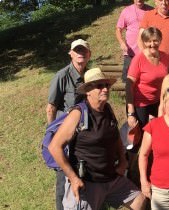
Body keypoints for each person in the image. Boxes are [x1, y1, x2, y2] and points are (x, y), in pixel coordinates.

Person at [48, 68, 146, 210]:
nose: (105, 89)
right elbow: (54, 147)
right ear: (88, 90)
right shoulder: (78, 113)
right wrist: (73, 178)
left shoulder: (107, 109)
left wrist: (123, 160)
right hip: (88, 183)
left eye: (106, 85)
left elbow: (115, 136)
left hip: (111, 178)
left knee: (139, 200)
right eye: (99, 86)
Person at [46, 38, 91, 210]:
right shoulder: (62, 76)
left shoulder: (90, 75)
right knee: (62, 173)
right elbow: (51, 108)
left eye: (83, 51)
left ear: (89, 54)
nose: (80, 54)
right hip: (64, 134)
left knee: (82, 170)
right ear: (70, 54)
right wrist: (51, 135)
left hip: (84, 133)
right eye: (77, 51)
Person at [126, 27, 169, 129]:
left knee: (160, 130)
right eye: (148, 41)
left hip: (159, 101)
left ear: (160, 40)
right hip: (141, 103)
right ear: (144, 42)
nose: (152, 44)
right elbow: (129, 85)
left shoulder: (165, 57)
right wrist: (131, 113)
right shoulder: (138, 59)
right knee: (142, 133)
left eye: (155, 40)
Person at [116, 0, 153, 82]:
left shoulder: (152, 11)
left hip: (147, 53)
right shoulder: (126, 11)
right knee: (127, 81)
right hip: (130, 53)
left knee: (146, 80)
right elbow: (118, 29)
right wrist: (122, 43)